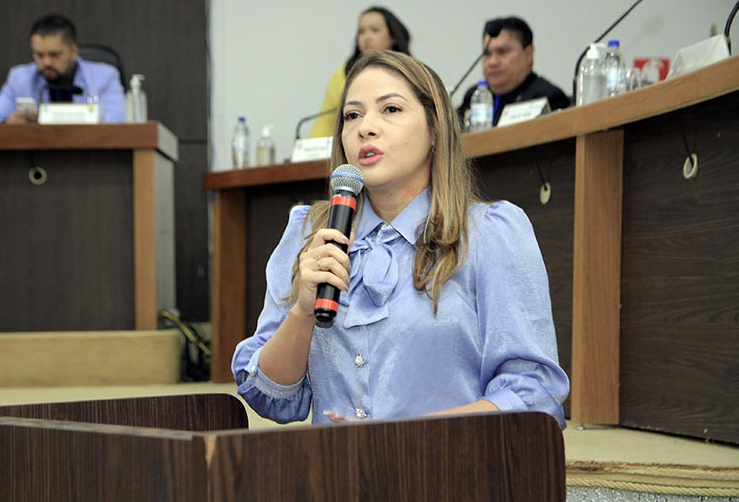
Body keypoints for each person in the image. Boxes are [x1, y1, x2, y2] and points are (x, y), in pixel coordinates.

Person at [233, 49, 569, 427]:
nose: (365, 128)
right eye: (352, 115)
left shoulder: (489, 234)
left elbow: (533, 393)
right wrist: (302, 313)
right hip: (334, 464)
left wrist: (402, 439)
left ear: (435, 129)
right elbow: (269, 397)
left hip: (449, 462)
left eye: (390, 109)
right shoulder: (311, 233)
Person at [0, 13, 125, 124]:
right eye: (39, 55)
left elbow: (116, 123)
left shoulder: (104, 77)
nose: (46, 62)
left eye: (54, 55)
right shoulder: (20, 78)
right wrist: (8, 124)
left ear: (73, 52)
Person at [309, 6, 411, 138]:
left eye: (374, 30)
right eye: (361, 31)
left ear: (393, 36)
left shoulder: (410, 73)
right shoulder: (343, 74)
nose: (366, 37)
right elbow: (325, 124)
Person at [458, 16, 569, 126]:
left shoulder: (547, 97)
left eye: (503, 51)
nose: (492, 62)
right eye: (487, 54)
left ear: (529, 54)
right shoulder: (473, 97)